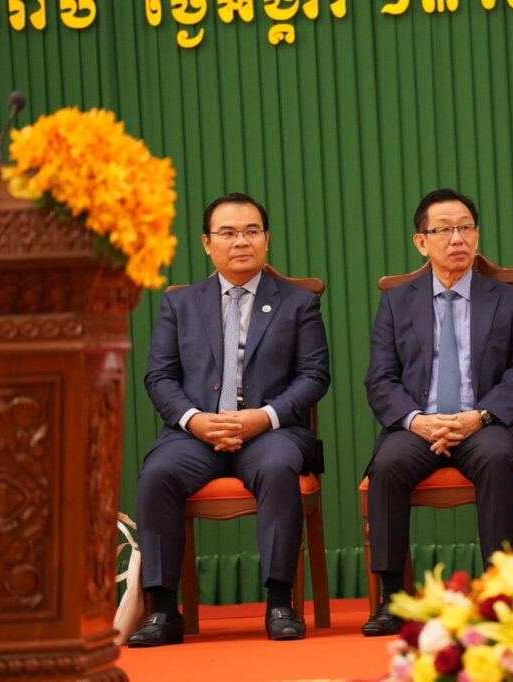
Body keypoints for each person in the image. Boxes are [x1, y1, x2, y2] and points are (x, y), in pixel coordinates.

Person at [128, 193, 330, 646]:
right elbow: (159, 376)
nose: (241, 241)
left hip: (271, 431)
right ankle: (163, 610)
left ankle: (279, 603)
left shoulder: (298, 303)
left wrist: (263, 417)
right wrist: (194, 420)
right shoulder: (180, 304)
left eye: (251, 231)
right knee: (157, 475)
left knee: (277, 468)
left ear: (266, 239)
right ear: (207, 243)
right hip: (195, 435)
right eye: (228, 233)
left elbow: (315, 376)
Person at [361, 188, 513, 636]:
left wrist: (478, 416)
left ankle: (498, 593)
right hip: (418, 424)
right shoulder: (396, 302)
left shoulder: (508, 300)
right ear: (421, 242)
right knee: (386, 465)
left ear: (477, 235)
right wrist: (417, 421)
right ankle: (391, 598)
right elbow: (380, 378)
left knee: (498, 457)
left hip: (482, 422)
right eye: (443, 230)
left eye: (465, 227)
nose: (457, 238)